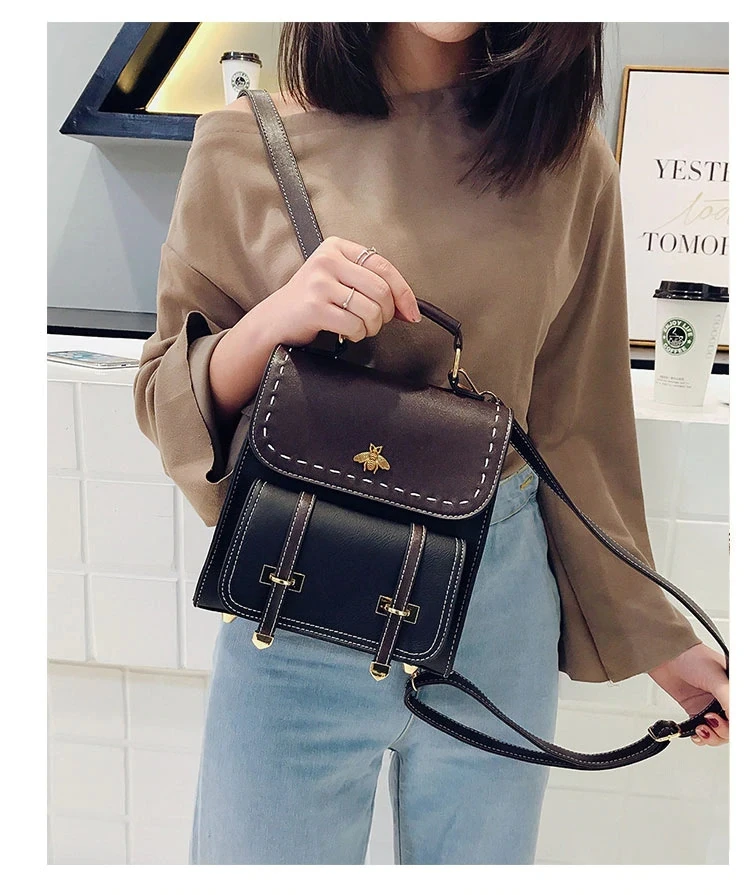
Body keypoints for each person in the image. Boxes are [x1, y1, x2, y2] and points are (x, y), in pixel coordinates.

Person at [133, 22, 729, 865]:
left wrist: (656, 639)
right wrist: (273, 322)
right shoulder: (242, 145)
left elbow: (575, 428)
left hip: (499, 610)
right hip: (298, 602)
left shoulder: (565, 159)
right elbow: (165, 393)